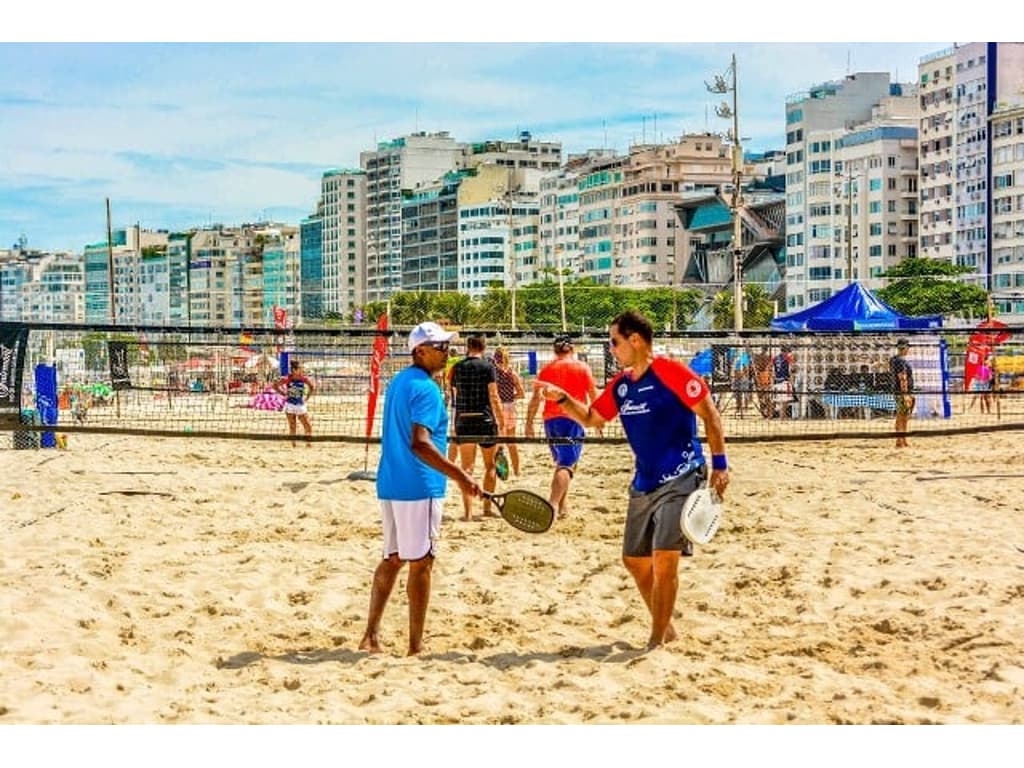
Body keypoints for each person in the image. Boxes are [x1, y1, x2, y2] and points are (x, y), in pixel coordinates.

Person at [534, 310, 729, 650]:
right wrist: (562, 399)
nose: (611, 348)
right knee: (634, 561)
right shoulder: (622, 385)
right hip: (644, 480)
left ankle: (656, 640)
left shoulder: (670, 372)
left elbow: (710, 414)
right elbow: (594, 419)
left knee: (664, 558)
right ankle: (665, 628)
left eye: (614, 341)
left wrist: (721, 465)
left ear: (635, 340)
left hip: (683, 473)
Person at [360, 321, 482, 656]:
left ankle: (370, 636)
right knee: (422, 562)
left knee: (393, 558)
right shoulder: (426, 388)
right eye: (441, 347)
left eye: (447, 346)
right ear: (420, 351)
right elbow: (421, 443)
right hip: (420, 485)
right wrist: (461, 476)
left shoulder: (399, 381)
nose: (447, 352)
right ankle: (415, 647)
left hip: (391, 482)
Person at [525, 335, 599, 519]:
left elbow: (535, 399)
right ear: (572, 349)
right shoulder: (582, 367)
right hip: (574, 418)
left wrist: (528, 423)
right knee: (566, 465)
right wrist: (598, 419)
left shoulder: (546, 369)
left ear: (555, 350)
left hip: (550, 421)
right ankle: (552, 505)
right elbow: (593, 394)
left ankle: (563, 507)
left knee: (563, 463)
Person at [449, 335, 504, 520]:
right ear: (484, 346)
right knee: (490, 466)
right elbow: (494, 396)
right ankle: (487, 508)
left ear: (468, 346)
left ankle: (468, 513)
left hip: (464, 420)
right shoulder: (488, 367)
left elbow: (455, 397)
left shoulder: (458, 367)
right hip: (485, 420)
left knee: (467, 469)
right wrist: (501, 420)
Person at [492, 346, 525, 477]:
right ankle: (517, 471)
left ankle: (498, 471)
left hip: (496, 408)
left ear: (495, 359)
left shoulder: (492, 373)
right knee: (512, 442)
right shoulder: (513, 373)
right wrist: (510, 397)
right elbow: (522, 394)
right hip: (510, 407)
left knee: (497, 442)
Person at [275, 360, 314, 447]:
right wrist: (283, 393)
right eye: (300, 368)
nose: (302, 370)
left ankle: (308, 443)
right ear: (294, 370)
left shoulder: (303, 378)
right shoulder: (288, 378)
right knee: (292, 426)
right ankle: (293, 444)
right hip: (290, 405)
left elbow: (312, 387)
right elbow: (275, 385)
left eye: (301, 368)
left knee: (307, 425)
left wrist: (307, 398)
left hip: (300, 404)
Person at [890, 338, 915, 448]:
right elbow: (902, 379)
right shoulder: (901, 361)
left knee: (903, 416)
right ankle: (900, 440)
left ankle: (902, 439)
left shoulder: (894, 360)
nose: (908, 350)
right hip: (902, 392)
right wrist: (905, 394)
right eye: (907, 347)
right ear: (904, 348)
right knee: (902, 417)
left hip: (899, 391)